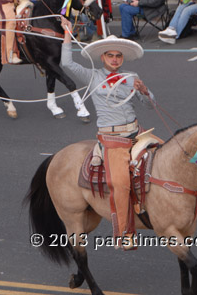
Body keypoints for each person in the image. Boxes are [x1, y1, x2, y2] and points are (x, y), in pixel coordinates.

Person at [60, 26, 157, 248]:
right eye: (110, 55)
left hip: (138, 132)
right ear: (103, 57)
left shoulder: (132, 77)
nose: (114, 59)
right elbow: (67, 64)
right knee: (121, 183)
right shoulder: (92, 75)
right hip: (113, 140)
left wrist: (144, 92)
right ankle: (124, 233)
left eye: (118, 55)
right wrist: (67, 34)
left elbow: (151, 105)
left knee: (173, 156)